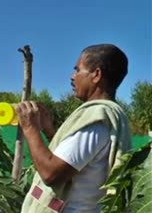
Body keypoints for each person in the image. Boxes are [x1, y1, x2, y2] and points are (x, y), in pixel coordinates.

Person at [15, 44, 132, 213]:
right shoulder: (112, 117)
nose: (72, 76)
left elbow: (51, 174)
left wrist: (30, 128)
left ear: (96, 75)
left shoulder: (97, 117)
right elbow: (75, 161)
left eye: (78, 70)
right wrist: (50, 132)